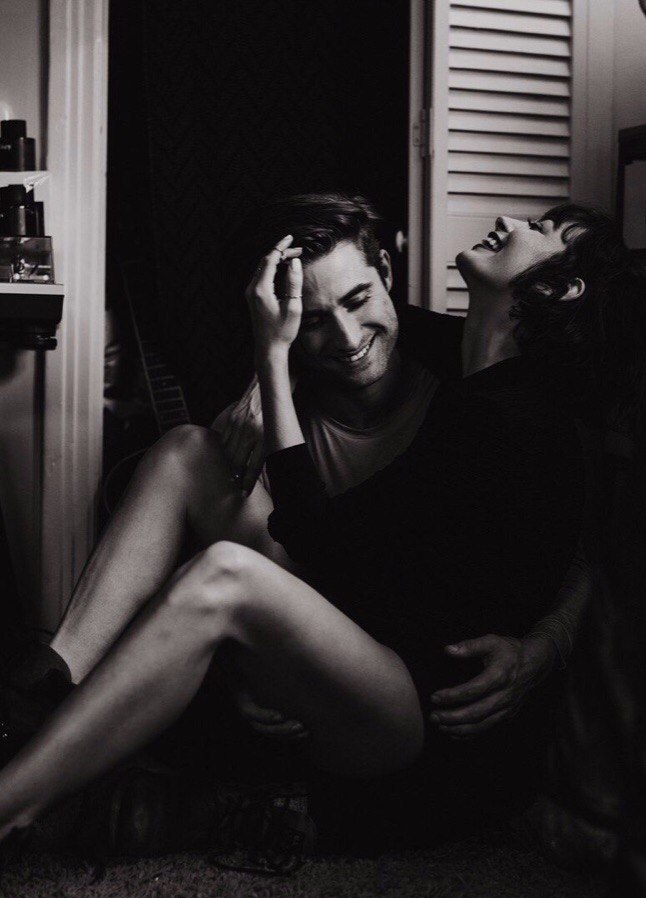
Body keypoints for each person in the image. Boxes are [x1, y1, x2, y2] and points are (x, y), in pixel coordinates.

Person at [0, 196, 614, 863]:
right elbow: (345, 562)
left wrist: (544, 648)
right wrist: (270, 371)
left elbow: (330, 547)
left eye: (358, 299)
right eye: (315, 320)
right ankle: (44, 691)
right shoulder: (470, 368)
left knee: (225, 578)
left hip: (416, 703)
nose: (347, 338)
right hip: (362, 632)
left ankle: (12, 803)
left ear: (385, 273)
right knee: (184, 451)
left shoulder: (507, 408)